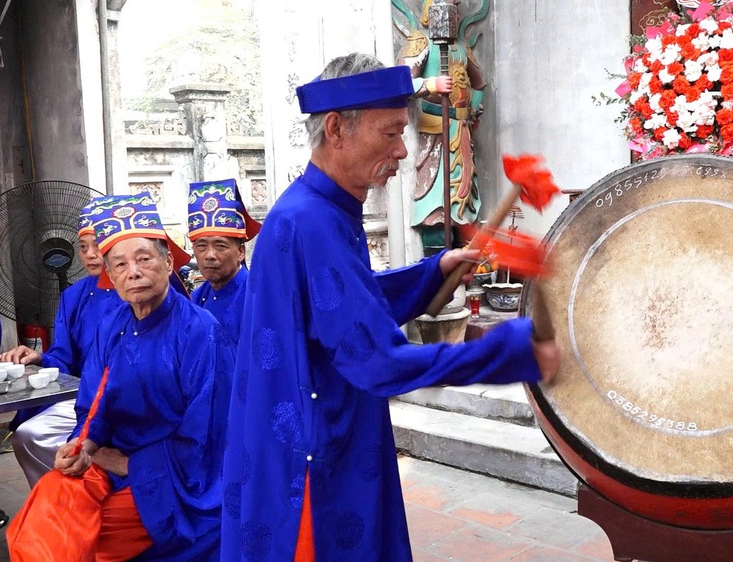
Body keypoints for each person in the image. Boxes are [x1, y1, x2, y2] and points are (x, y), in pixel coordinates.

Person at [221, 53, 561, 561]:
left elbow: (345, 305)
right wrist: (512, 349)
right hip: (313, 459)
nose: (404, 151)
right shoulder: (314, 222)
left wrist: (433, 271)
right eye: (391, 133)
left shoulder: (320, 210)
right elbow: (375, 360)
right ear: (336, 129)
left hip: (320, 434)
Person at [6, 193, 235, 561]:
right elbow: (93, 403)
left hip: (174, 478)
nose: (134, 272)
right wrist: (84, 446)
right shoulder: (112, 325)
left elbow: (206, 437)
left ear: (166, 260)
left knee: (92, 537)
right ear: (110, 276)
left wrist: (125, 463)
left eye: (144, 258)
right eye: (120, 264)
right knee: (46, 505)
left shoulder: (201, 333)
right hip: (110, 460)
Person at [0, 198, 122, 487]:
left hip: (125, 399)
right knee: (29, 434)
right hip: (82, 397)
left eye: (98, 244)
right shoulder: (74, 296)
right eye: (83, 247)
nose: (90, 254)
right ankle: (57, 501)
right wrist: (40, 358)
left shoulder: (136, 292)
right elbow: (64, 359)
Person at [397, 0, 488, 250]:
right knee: (435, 207)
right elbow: (399, 82)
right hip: (434, 134)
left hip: (461, 135)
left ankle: (462, 267)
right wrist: (431, 85)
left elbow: (479, 85)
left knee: (464, 208)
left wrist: (472, 111)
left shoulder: (461, 47)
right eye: (446, 7)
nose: (453, 14)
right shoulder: (421, 41)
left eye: (455, 9)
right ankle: (434, 265)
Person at [187, 178, 261, 344]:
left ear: (240, 252)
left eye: (220, 246)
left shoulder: (257, 296)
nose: (210, 255)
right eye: (201, 246)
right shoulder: (196, 299)